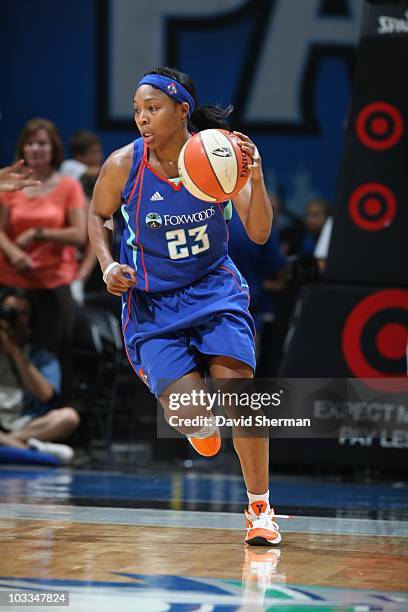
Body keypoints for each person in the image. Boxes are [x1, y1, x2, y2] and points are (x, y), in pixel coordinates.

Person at [88, 67, 281, 546]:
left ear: (181, 110)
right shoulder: (123, 164)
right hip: (152, 305)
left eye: (152, 108)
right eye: (136, 110)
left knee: (243, 396)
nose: (142, 119)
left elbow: (258, 233)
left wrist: (254, 176)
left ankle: (260, 509)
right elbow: (98, 214)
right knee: (195, 420)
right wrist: (108, 265)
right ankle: (200, 428)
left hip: (214, 290)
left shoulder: (217, 156)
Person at [0, 118, 87, 400]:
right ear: (22, 147)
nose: (36, 149)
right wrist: (13, 251)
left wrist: (39, 233)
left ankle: (59, 421)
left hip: (52, 284)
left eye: (42, 143)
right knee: (9, 351)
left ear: (54, 148)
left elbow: (79, 234)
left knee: (54, 354)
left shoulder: (68, 186)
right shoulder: (11, 185)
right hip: (11, 282)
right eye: (31, 143)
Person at [0, 288, 80, 463]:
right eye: (10, 312)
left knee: (68, 417)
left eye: (23, 314)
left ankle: (9, 442)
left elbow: (45, 395)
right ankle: (28, 448)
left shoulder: (42, 356)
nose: (16, 319)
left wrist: (15, 351)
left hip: (25, 423)